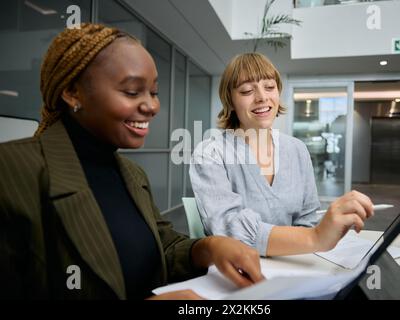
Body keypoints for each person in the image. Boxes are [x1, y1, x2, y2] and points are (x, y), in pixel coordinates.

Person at [0, 24, 264, 300]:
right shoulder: (11, 171)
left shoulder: (132, 174)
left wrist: (210, 248)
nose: (151, 106)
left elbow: (161, 246)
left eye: (154, 92)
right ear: (72, 92)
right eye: (132, 91)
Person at [189, 53, 374, 257]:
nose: (262, 97)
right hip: (238, 271)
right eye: (247, 90)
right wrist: (314, 238)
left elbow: (307, 219)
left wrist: (314, 236)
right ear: (230, 102)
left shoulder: (297, 150)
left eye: (269, 87)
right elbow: (229, 230)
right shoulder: (210, 153)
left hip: (294, 264)